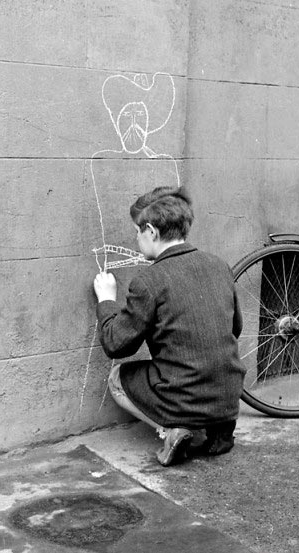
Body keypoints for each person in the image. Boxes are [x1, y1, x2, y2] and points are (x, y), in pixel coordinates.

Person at [92, 186, 246, 466]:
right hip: (229, 395)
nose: (136, 238)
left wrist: (106, 301)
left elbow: (117, 344)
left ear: (151, 231)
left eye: (137, 232)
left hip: (181, 394)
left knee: (118, 378)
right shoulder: (219, 265)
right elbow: (235, 328)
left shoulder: (148, 282)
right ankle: (218, 427)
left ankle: (175, 430)